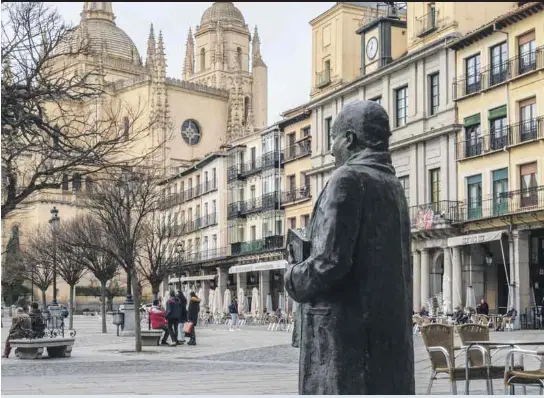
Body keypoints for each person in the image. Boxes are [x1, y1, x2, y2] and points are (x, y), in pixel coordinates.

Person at [285, 101, 414, 394]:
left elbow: (330, 263)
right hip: (385, 346)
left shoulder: (347, 178)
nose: (332, 148)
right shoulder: (393, 186)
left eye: (334, 138)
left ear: (350, 139)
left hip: (345, 346)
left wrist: (293, 274)